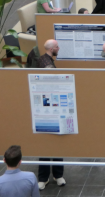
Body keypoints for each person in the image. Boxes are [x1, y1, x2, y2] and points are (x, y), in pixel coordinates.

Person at [34, 40, 65, 189]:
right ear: (52, 49)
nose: (59, 48)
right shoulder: (48, 66)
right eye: (57, 47)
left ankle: (53, 176)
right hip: (49, 108)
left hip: (46, 108)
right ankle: (50, 176)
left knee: (52, 143)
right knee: (49, 143)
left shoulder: (40, 58)